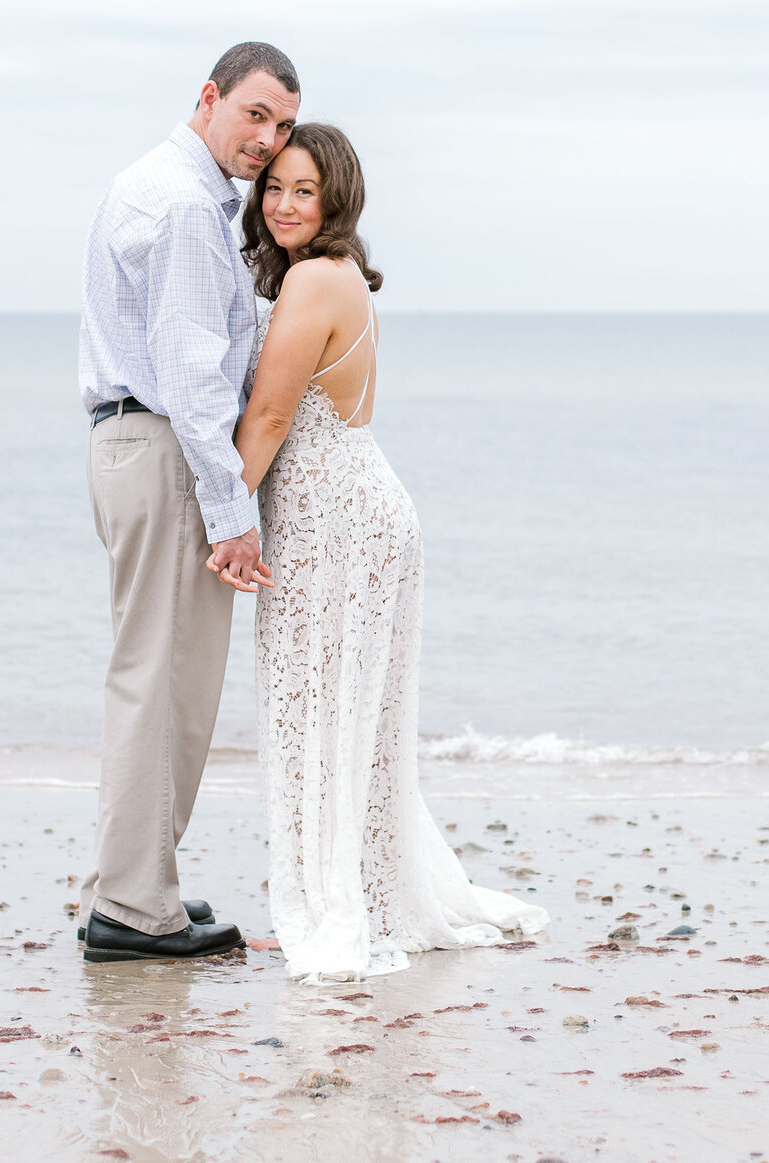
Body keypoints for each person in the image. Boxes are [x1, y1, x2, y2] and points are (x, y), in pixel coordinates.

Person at [234, 122, 550, 983]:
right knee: (350, 719)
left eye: (305, 189)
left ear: (337, 197)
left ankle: (334, 900)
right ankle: (361, 887)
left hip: (337, 522)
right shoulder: (331, 279)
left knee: (322, 712)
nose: (286, 204)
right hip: (358, 513)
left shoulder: (312, 282)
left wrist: (218, 521)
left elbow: (266, 419)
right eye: (275, 188)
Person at [74, 41, 300, 963]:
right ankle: (133, 909)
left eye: (282, 125)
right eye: (254, 115)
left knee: (153, 678)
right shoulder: (180, 208)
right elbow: (194, 378)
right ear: (209, 98)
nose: (267, 140)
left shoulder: (174, 189)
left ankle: (131, 886)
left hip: (136, 443)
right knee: (167, 683)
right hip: (165, 446)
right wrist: (234, 513)